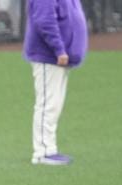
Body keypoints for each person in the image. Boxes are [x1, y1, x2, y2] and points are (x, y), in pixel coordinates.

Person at [24, 0, 88, 165]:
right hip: (48, 56)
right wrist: (59, 49)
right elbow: (45, 21)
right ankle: (43, 152)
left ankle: (48, 149)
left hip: (57, 58)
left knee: (54, 104)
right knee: (48, 104)